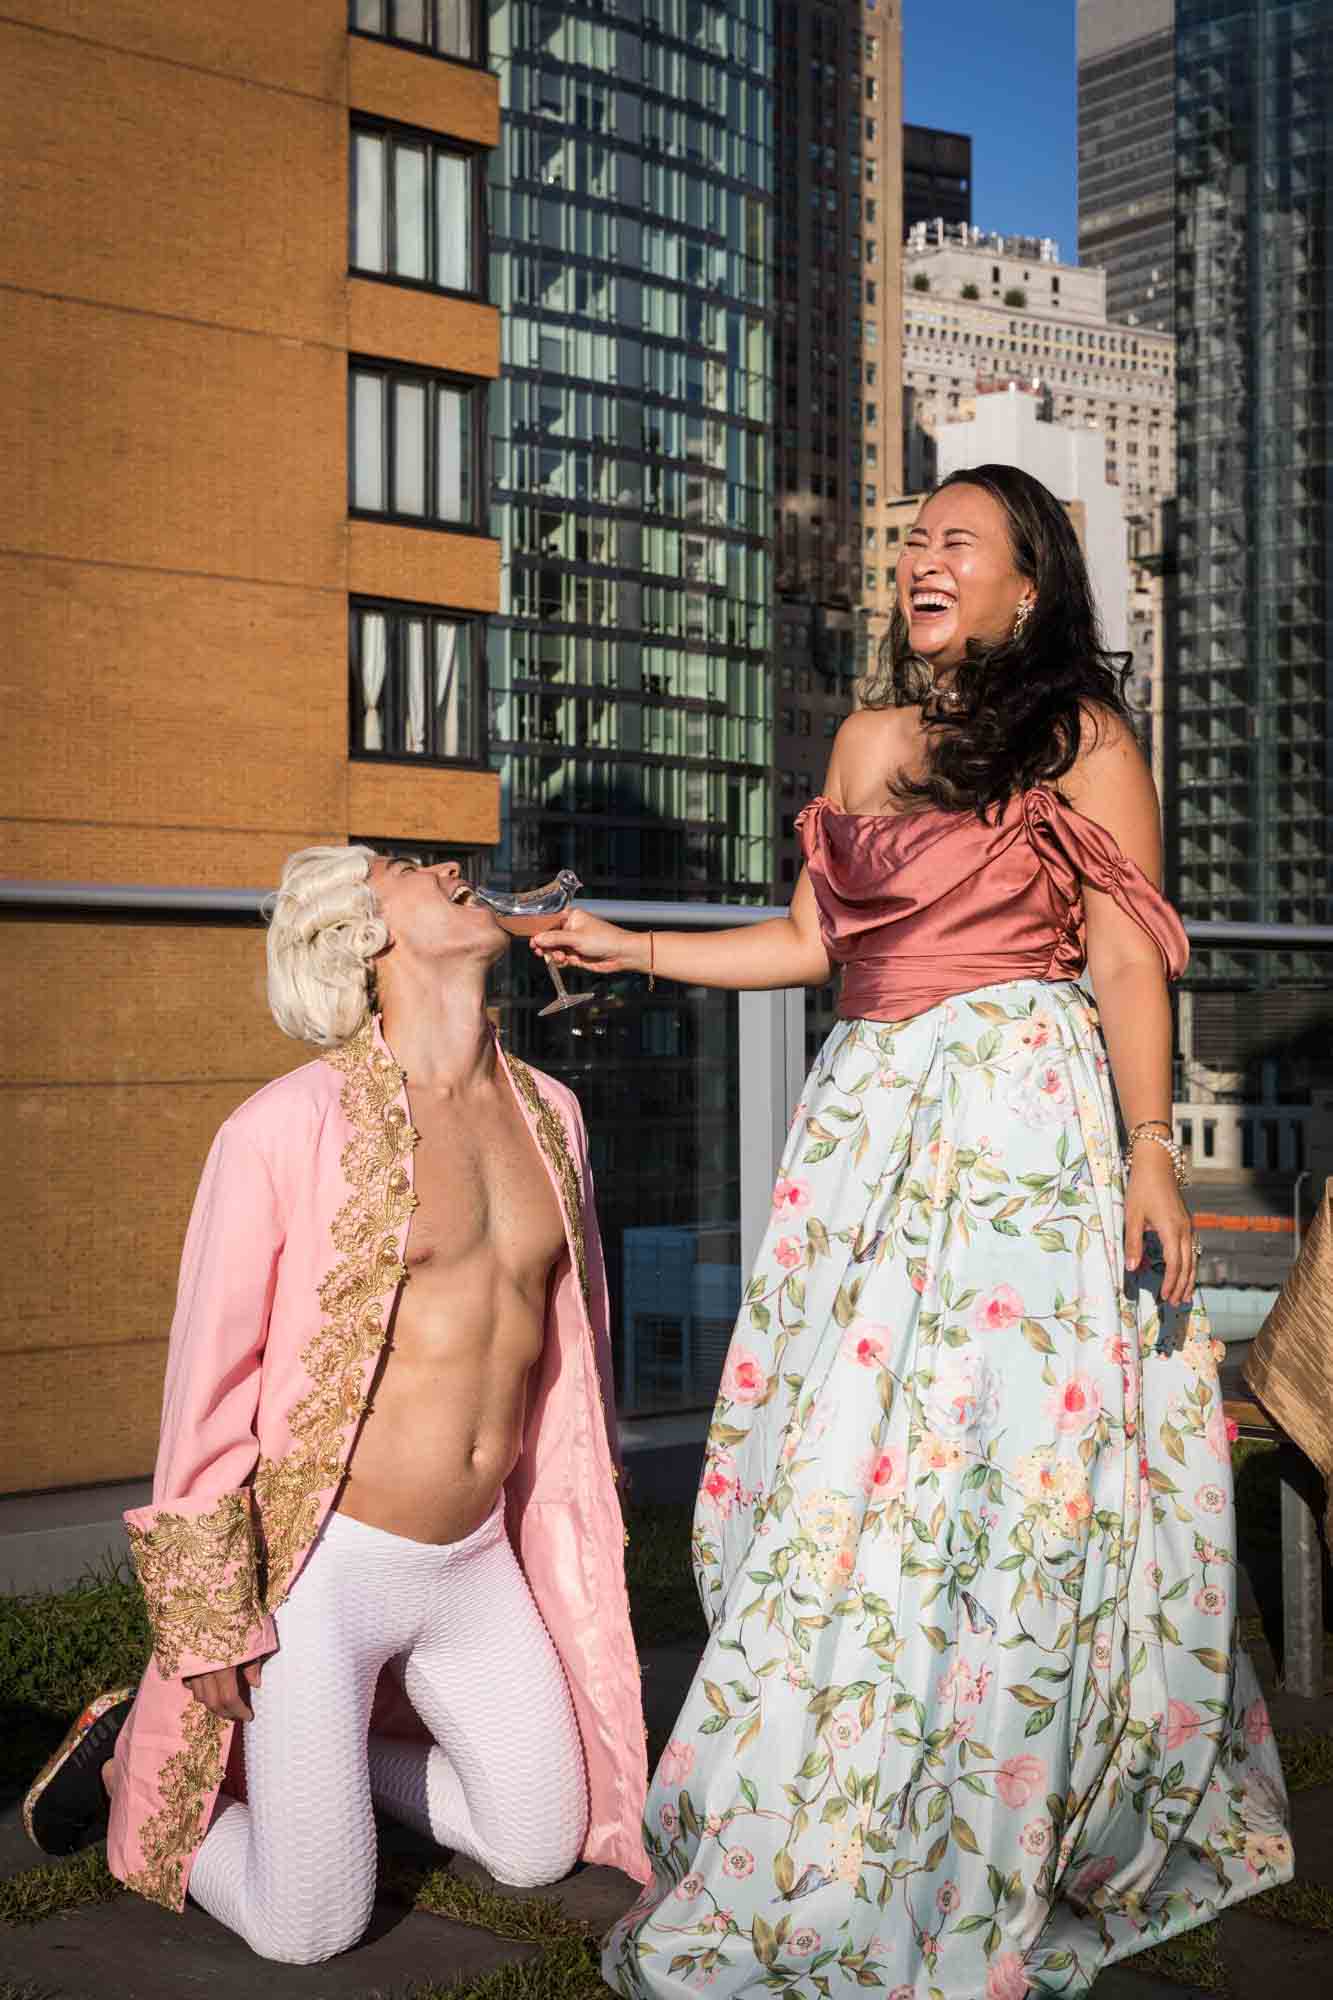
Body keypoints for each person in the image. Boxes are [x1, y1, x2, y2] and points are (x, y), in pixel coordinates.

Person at [533, 467, 1292, 1996]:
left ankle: (995, 1772)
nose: (916, 562)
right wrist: (636, 947)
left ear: (1028, 585)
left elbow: (1134, 967)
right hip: (871, 1125)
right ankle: (835, 1758)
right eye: (909, 543)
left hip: (1023, 1122)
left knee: (996, 1453)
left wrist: (1153, 1155)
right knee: (843, 1449)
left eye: (955, 542)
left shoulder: (1084, 739)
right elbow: (815, 942)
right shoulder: (868, 742)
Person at [23, 847, 648, 1962]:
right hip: (324, 1569)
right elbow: (207, 1384)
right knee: (310, 1928)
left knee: (538, 1842)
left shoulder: (553, 1113)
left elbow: (572, 1341)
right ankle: (134, 1774)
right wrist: (210, 1614)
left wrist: (593, 1482)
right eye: (408, 866)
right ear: (363, 936)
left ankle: (325, 1765)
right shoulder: (279, 1127)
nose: (452, 864)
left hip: (475, 1557)